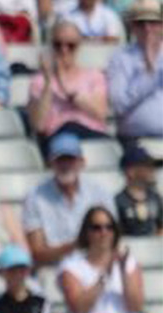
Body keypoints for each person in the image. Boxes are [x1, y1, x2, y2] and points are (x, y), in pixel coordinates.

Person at [23, 133, 115, 269]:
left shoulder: (99, 193)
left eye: (70, 159)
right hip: (53, 269)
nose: (65, 165)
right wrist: (75, 246)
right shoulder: (35, 197)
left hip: (95, 266)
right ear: (50, 163)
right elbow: (37, 252)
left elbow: (112, 239)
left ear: (82, 162)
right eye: (60, 160)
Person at [58, 204, 145, 313]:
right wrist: (104, 277)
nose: (104, 232)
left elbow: (136, 307)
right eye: (96, 228)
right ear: (86, 232)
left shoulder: (129, 263)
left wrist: (123, 272)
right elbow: (79, 309)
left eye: (109, 227)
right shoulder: (71, 266)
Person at [28, 22, 109, 151]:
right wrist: (48, 82)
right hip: (58, 135)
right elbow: (39, 125)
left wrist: (70, 92)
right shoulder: (39, 81)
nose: (64, 50)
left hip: (91, 133)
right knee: (66, 139)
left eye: (71, 46)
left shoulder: (94, 76)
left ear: (79, 46)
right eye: (58, 45)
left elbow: (100, 113)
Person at [107, 0, 163, 143]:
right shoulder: (120, 57)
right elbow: (119, 105)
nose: (147, 28)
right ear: (132, 26)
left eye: (153, 22)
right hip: (134, 139)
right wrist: (149, 74)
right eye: (140, 23)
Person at [116, 144, 163, 237]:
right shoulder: (119, 201)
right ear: (130, 171)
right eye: (147, 166)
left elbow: (161, 226)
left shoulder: (155, 198)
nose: (153, 170)